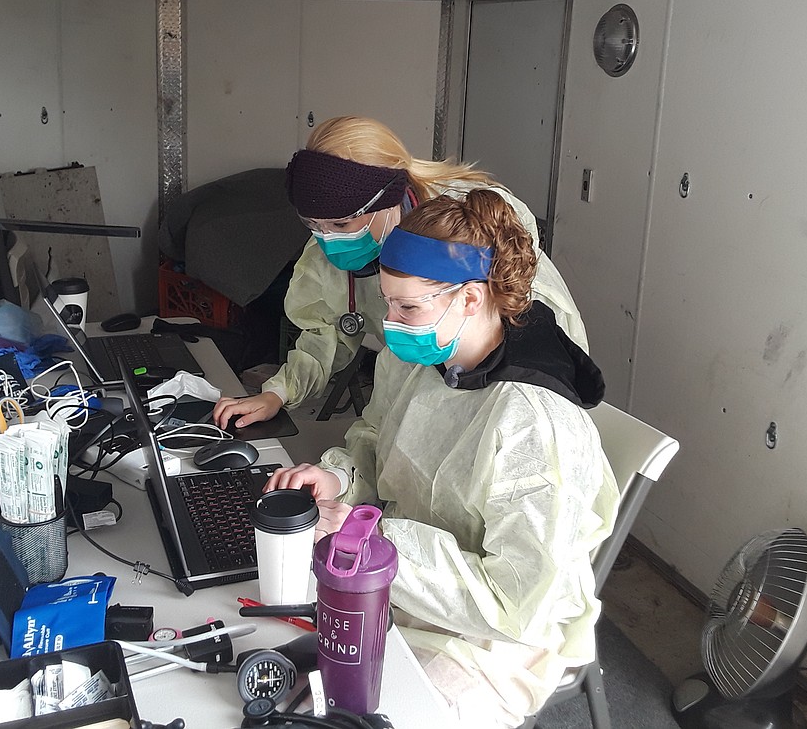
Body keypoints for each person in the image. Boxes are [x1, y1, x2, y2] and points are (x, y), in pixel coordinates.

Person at [265, 190, 619, 728]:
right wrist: (338, 478)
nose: (393, 320)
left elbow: (513, 602)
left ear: (471, 299)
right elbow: (375, 435)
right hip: (399, 578)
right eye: (387, 302)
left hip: (493, 639)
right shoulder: (420, 353)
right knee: (271, 672)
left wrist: (372, 543)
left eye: (408, 306)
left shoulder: (534, 423)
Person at [213, 115, 588, 429]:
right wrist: (278, 392)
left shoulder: (467, 223)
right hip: (433, 387)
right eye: (313, 225)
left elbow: (515, 324)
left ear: (386, 201)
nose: (327, 240)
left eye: (342, 224)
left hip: (511, 386)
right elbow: (326, 330)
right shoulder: (332, 243)